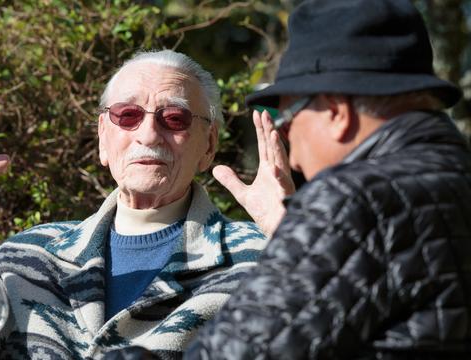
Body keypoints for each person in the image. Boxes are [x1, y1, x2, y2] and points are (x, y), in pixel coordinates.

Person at [0, 50, 288, 359]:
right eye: (127, 116)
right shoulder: (25, 258)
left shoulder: (261, 258)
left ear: (208, 145)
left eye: (174, 119)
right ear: (103, 139)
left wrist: (295, 235)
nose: (148, 134)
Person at [183, 0, 471, 358]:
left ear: (336, 113)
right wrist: (292, 230)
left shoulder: (354, 197)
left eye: (286, 121)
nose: (296, 158)